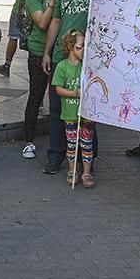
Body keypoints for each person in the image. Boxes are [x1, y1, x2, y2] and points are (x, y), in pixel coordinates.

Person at [42, 0, 93, 175]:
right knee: (56, 109)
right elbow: (55, 21)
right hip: (61, 59)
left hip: (86, 59)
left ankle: (87, 161)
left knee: (87, 111)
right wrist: (47, 51)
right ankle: (56, 155)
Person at [20, 0, 58, 160]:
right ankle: (29, 141)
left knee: (58, 98)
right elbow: (42, 23)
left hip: (61, 51)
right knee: (36, 95)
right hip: (38, 50)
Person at [53, 30, 95, 188]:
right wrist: (74, 93)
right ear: (70, 47)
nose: (83, 50)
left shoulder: (87, 67)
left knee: (87, 143)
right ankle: (72, 170)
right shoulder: (62, 67)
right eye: (80, 46)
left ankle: (87, 172)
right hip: (70, 113)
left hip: (86, 113)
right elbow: (58, 89)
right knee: (71, 143)